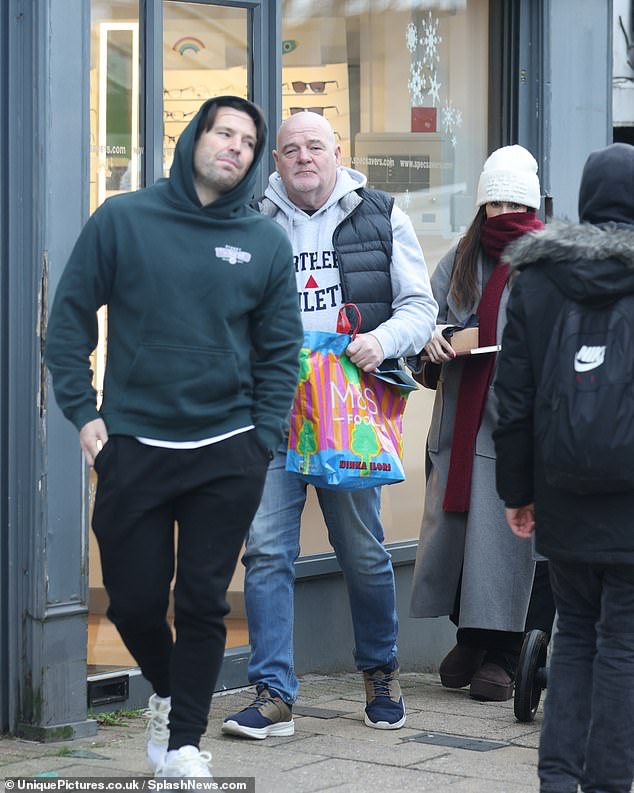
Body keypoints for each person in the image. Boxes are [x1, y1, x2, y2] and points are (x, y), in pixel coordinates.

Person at [45, 96, 303, 778]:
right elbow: (68, 316)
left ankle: (185, 742)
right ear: (196, 137)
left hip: (229, 448)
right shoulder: (124, 220)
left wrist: (263, 439)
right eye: (225, 133)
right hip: (134, 443)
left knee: (201, 600)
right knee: (131, 599)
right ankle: (168, 690)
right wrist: (83, 408)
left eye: (249, 141)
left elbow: (282, 352)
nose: (237, 148)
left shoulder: (265, 241)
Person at [221, 110, 438, 739]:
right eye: (290, 150)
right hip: (270, 412)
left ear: (337, 152)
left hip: (347, 414)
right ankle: (272, 694)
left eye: (315, 146)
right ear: (276, 161)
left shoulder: (381, 214)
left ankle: (381, 672)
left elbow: (421, 308)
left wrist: (381, 340)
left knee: (364, 553)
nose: (303, 158)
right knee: (265, 551)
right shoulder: (247, 224)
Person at [494, 142, 634, 793]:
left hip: (563, 492)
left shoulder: (536, 278)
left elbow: (513, 399)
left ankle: (557, 778)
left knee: (573, 630)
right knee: (625, 643)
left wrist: (517, 491)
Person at [409, 145, 545, 702]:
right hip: (460, 421)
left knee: (507, 540)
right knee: (460, 532)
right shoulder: (461, 257)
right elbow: (426, 318)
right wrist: (433, 342)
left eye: (514, 201)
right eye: (495, 202)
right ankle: (469, 634)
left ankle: (505, 651)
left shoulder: (548, 258)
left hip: (515, 423)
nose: (504, 212)